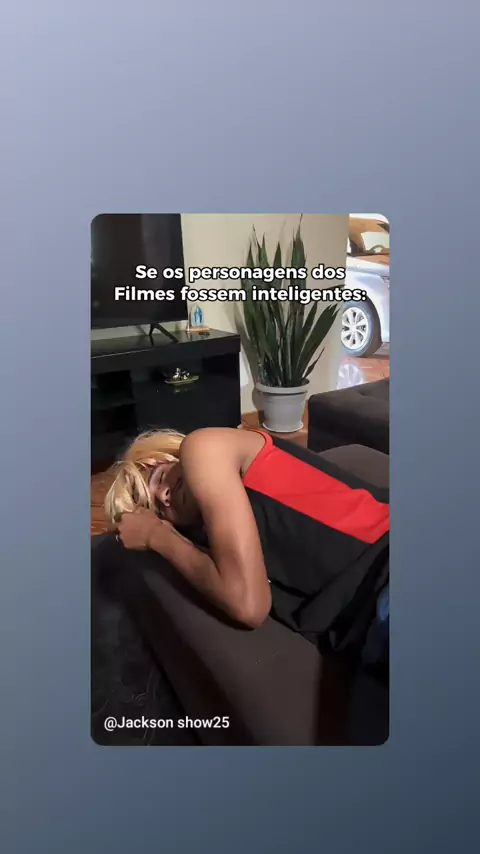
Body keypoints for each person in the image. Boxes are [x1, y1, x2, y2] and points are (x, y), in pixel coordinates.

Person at [105, 427, 389, 659]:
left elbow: (248, 606)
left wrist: (156, 535)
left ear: (167, 456)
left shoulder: (204, 447)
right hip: (363, 628)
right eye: (156, 508)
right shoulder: (207, 544)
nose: (164, 496)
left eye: (158, 478)